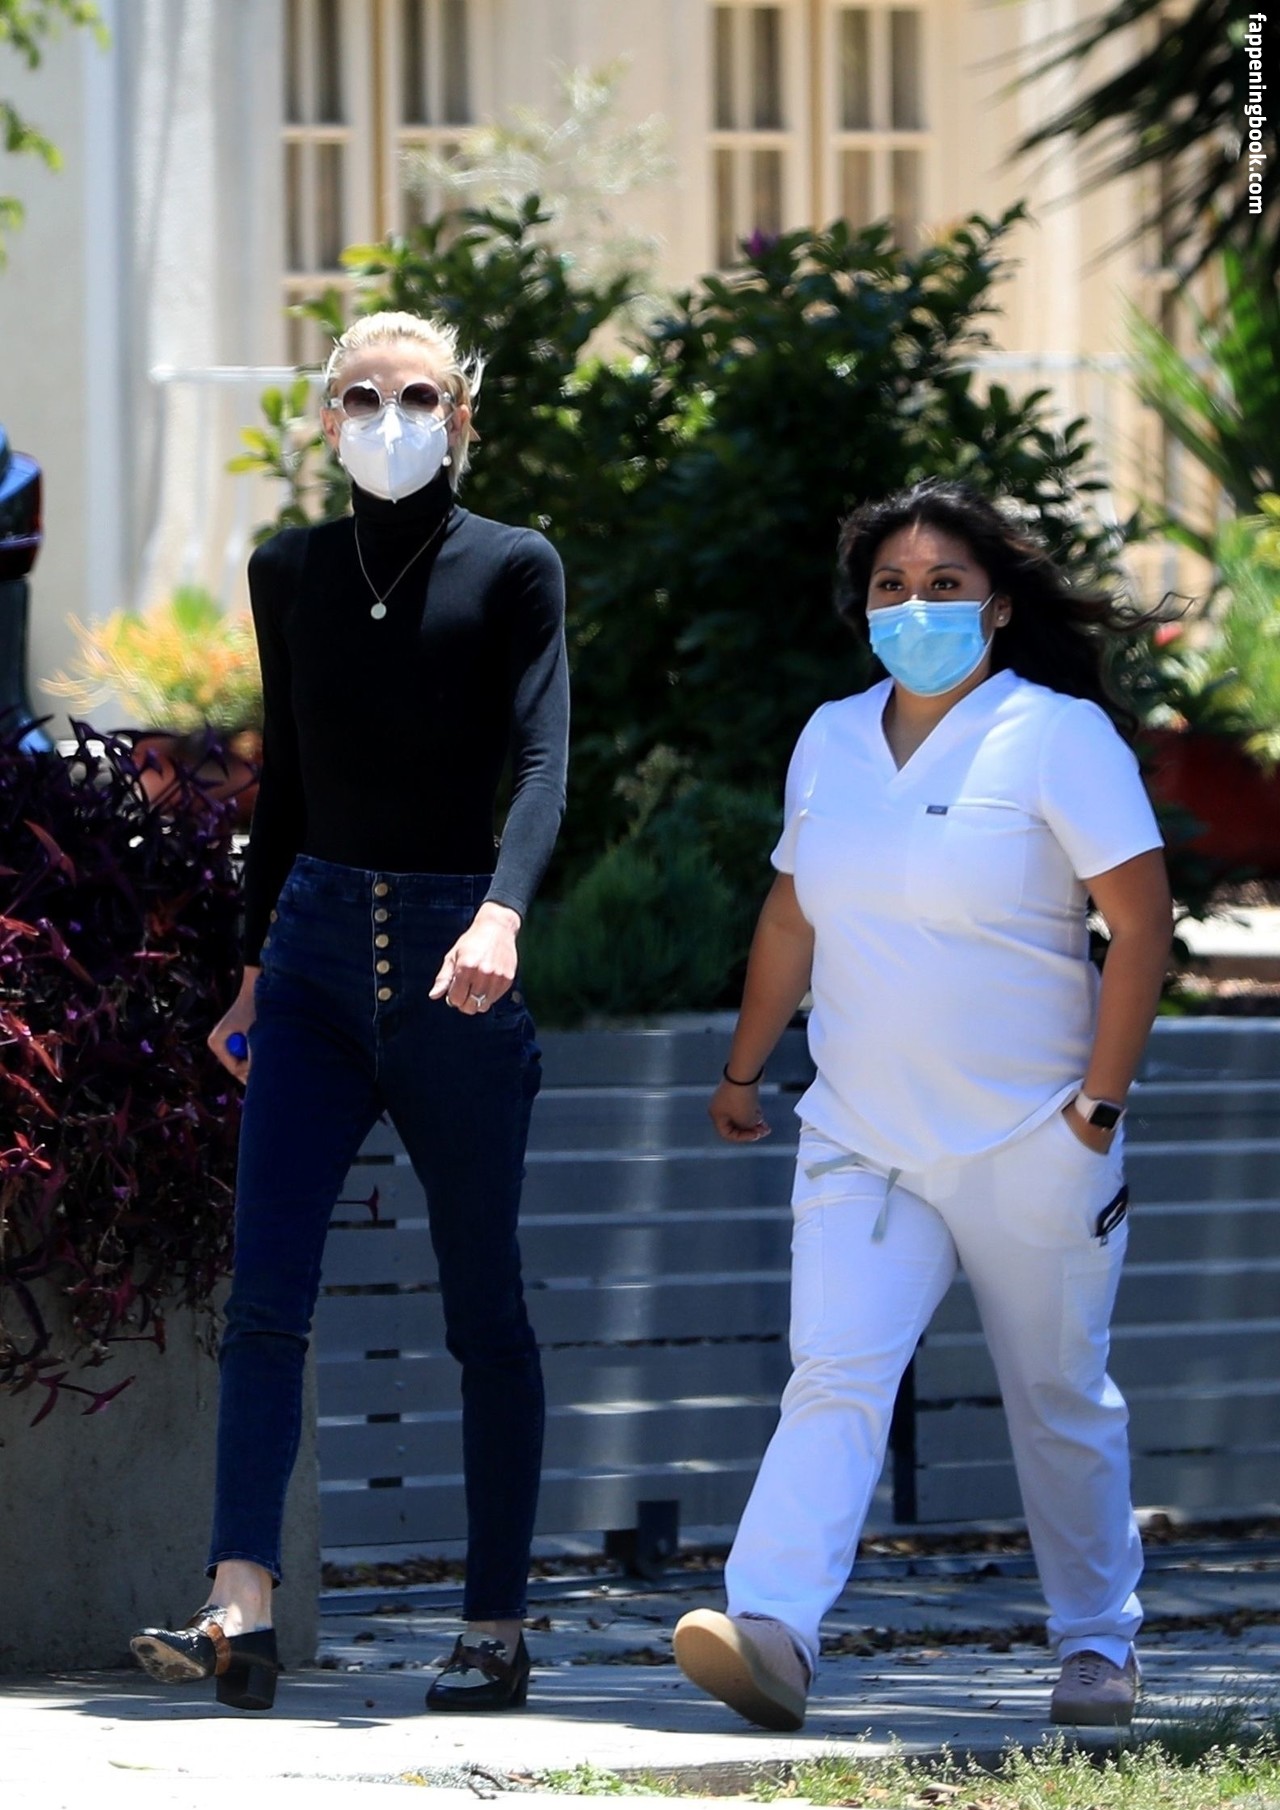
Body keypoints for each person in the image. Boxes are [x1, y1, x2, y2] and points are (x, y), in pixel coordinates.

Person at [673, 479, 1171, 1733]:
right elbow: (790, 916)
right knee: (834, 1374)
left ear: (995, 605)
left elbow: (1140, 926)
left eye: (943, 584)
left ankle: (1094, 1645)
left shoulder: (1055, 735)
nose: (915, 607)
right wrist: (741, 1071)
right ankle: (772, 1630)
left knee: (1058, 1401)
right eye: (890, 587)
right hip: (863, 1139)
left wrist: (1094, 1114)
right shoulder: (830, 737)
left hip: (1034, 1141)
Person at [130, 311, 568, 1713]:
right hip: (314, 949)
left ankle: (493, 1627)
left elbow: (545, 760)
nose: (393, 417)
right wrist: (253, 966)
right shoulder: (291, 569)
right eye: (365, 396)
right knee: (266, 1293)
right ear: (327, 418)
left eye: (420, 395)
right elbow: (289, 787)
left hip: (455, 951)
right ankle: (239, 1604)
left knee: (484, 1307)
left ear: (461, 417)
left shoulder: (514, 564)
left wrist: (503, 910)